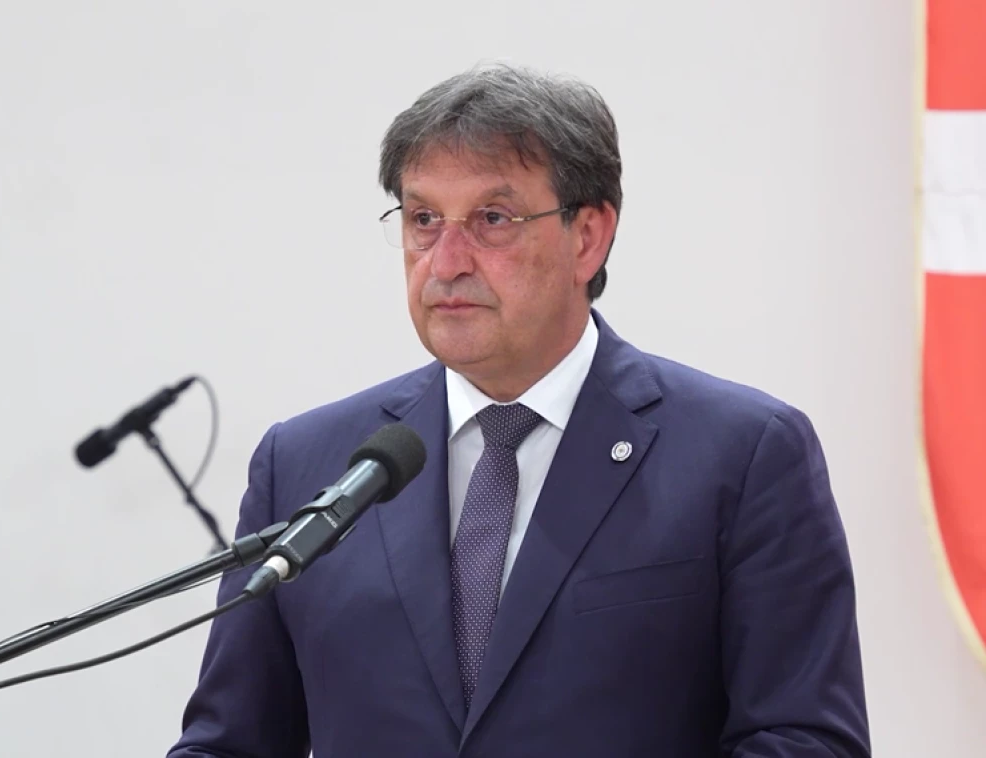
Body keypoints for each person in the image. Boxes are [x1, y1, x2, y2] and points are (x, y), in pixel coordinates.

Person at [168, 63, 871, 757]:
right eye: (423, 220)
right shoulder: (306, 465)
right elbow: (227, 744)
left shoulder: (742, 456)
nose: (446, 261)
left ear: (587, 237)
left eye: (492, 220)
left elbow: (806, 740)